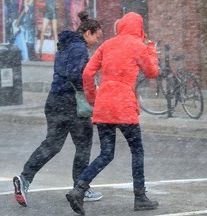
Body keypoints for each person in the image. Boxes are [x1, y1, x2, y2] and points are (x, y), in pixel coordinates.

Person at [66, 12, 159, 215]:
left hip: (104, 104)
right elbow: (152, 72)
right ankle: (140, 197)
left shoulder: (107, 45)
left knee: (106, 153)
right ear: (140, 28)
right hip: (124, 105)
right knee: (137, 150)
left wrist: (93, 99)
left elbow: (88, 73)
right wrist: (151, 49)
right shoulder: (138, 46)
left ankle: (79, 189)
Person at [13, 11, 103, 207]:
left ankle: (24, 178)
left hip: (54, 101)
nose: (98, 41)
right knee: (83, 145)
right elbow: (75, 75)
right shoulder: (79, 48)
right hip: (71, 105)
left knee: (52, 145)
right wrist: (91, 88)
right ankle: (80, 188)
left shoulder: (65, 46)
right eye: (97, 36)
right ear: (88, 32)